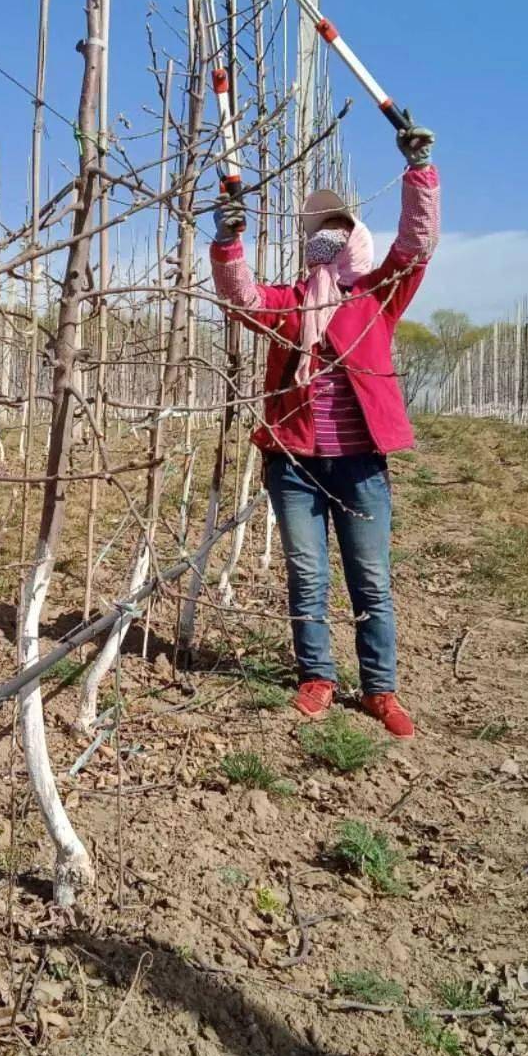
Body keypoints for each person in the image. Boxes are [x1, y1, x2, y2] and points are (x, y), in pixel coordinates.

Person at [210, 116, 439, 738]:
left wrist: (419, 172)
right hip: (295, 463)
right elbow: (242, 299)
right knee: (307, 574)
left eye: (339, 229)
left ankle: (380, 690)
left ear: (357, 238)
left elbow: (416, 245)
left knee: (370, 579)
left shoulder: (378, 297)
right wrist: (229, 240)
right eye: (319, 232)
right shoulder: (287, 303)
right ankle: (316, 676)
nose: (328, 239)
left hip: (361, 464)